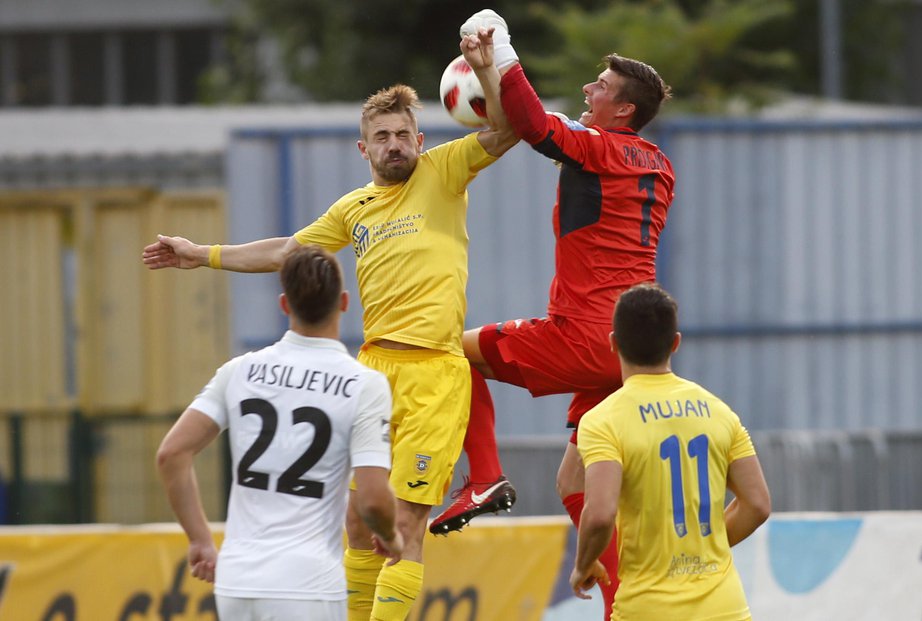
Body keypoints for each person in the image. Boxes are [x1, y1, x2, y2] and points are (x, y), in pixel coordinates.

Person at [144, 78, 517, 619]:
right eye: (382, 136)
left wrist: (488, 71)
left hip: (435, 373)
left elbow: (508, 130)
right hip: (373, 371)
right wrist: (202, 254)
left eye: (404, 134)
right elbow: (287, 251)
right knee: (357, 521)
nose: (395, 144)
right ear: (363, 149)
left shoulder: (444, 171)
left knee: (407, 523)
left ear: (420, 139)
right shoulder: (353, 208)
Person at [431, 11, 675, 619]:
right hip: (627, 350)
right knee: (574, 483)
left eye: (601, 86)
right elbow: (539, 122)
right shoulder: (654, 162)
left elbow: (539, 128)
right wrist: (489, 73)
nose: (590, 90)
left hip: (586, 334)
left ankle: (483, 476)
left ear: (623, 111)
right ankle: (627, 605)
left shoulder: (604, 150)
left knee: (451, 351)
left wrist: (504, 49)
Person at [156, 245, 402, 621]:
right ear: (345, 302)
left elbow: (172, 454)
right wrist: (389, 535)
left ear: (285, 305)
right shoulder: (364, 385)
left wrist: (200, 540)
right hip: (308, 585)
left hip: (237, 585)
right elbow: (372, 500)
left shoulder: (240, 371)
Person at [570, 283, 771, 620]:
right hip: (725, 609)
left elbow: (601, 513)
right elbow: (758, 504)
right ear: (675, 343)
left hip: (648, 609)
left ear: (613, 343)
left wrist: (582, 565)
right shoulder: (719, 411)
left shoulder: (602, 420)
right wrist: (705, 550)